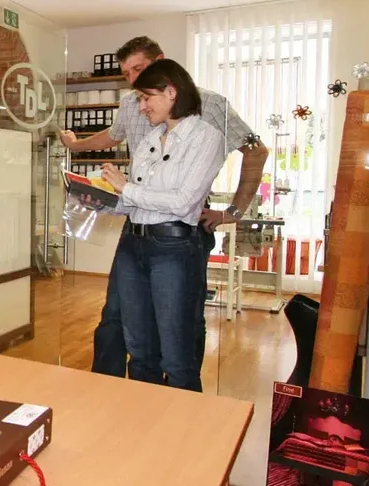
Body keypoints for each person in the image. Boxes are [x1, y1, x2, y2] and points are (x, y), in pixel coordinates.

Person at [60, 37, 268, 381]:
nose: (132, 84)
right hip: (137, 228)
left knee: (181, 327)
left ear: (164, 71)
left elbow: (255, 152)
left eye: (139, 72)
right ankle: (105, 391)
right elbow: (112, 139)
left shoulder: (210, 108)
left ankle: (180, 399)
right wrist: (88, 176)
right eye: (126, 75)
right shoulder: (137, 113)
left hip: (180, 231)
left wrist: (233, 211)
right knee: (117, 317)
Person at [83, 59, 226, 392]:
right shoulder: (150, 139)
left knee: (177, 356)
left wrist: (124, 187)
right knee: (140, 349)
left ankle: (187, 433)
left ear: (172, 93)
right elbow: (134, 200)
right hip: (134, 245)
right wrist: (97, 196)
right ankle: (144, 425)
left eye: (147, 98)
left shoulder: (206, 138)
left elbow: (182, 201)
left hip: (174, 249)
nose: (142, 106)